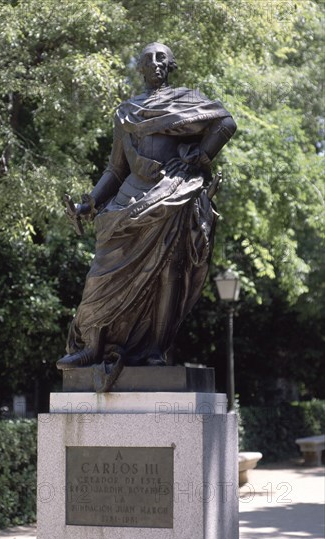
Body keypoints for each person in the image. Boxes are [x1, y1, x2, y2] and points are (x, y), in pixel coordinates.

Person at [57, 42, 236, 384]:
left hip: (173, 193)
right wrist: (88, 204)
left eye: (161, 57)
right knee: (100, 273)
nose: (155, 63)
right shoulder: (126, 112)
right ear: (138, 67)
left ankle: (156, 350)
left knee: (170, 271)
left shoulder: (187, 100)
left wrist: (200, 155)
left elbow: (226, 122)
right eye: (148, 58)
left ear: (171, 64)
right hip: (131, 198)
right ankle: (93, 344)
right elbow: (114, 169)